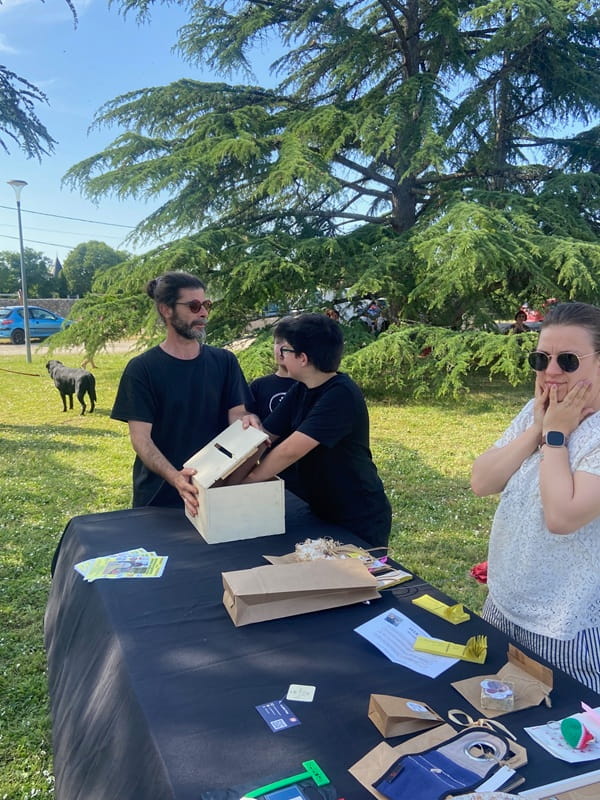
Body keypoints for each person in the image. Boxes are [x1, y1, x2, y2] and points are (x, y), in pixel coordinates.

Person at [471, 301, 600, 692]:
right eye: (541, 359)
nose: (552, 371)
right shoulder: (537, 410)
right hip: (504, 604)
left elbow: (562, 517)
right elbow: (483, 480)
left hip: (566, 627)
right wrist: (539, 429)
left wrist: (557, 438)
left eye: (568, 360)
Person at [111, 271, 257, 514]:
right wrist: (176, 478)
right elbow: (141, 439)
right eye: (194, 306)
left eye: (206, 305)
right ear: (166, 310)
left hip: (214, 490)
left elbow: (237, 415)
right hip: (159, 498)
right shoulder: (142, 369)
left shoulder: (225, 361)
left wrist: (247, 422)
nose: (203, 313)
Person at [242, 313, 392, 548]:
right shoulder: (301, 389)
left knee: (354, 582)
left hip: (358, 514)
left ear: (302, 358)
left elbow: (291, 450)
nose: (281, 356)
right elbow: (266, 436)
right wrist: (229, 469)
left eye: (286, 351)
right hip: (322, 508)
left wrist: (247, 482)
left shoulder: (341, 395)